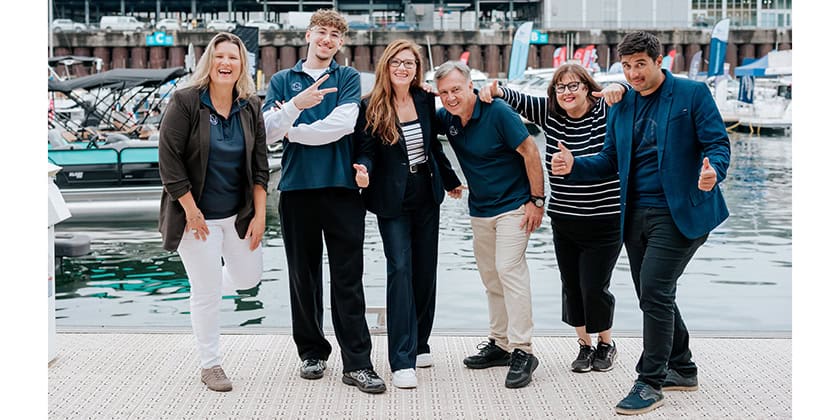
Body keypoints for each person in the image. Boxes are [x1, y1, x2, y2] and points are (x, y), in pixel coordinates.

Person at [552, 31, 730, 415]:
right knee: (654, 293)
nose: (633, 73)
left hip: (681, 210)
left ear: (658, 60)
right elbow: (609, 160)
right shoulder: (622, 105)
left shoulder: (691, 95)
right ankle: (682, 368)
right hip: (634, 213)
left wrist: (714, 169)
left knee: (654, 290)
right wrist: (574, 167)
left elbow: (718, 143)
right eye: (627, 66)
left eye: (640, 65)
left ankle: (650, 381)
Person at [261, 9, 386, 394]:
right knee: (303, 276)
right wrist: (296, 105)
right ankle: (312, 353)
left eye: (335, 34)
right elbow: (267, 131)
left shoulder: (347, 78)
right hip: (297, 189)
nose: (327, 39)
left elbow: (343, 125)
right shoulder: (282, 80)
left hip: (341, 190)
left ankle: (358, 364)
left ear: (341, 43)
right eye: (322, 32)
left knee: (348, 279)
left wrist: (292, 127)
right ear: (308, 35)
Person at [479, 64, 627, 374]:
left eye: (574, 85)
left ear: (587, 88)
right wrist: (494, 90)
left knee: (594, 286)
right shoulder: (551, 113)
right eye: (560, 87)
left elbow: (624, 97)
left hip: (605, 218)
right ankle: (585, 346)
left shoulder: (604, 112)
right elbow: (517, 98)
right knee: (572, 286)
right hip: (565, 219)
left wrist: (621, 88)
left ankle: (606, 343)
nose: (567, 92)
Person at [158, 32, 268, 392]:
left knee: (248, 279)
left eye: (233, 58)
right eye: (219, 56)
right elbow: (169, 161)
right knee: (205, 294)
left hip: (238, 215)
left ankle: (210, 278)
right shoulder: (187, 101)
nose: (225, 63)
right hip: (197, 218)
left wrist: (261, 215)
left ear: (242, 65)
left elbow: (260, 165)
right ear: (209, 61)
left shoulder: (250, 106)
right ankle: (211, 365)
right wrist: (190, 211)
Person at [354, 40, 464, 389]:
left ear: (416, 69)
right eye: (397, 63)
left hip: (426, 193)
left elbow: (432, 147)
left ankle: (419, 343)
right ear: (386, 66)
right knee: (400, 269)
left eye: (410, 64)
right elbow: (366, 150)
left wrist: (450, 181)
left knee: (424, 270)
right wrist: (363, 171)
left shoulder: (424, 100)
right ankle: (401, 359)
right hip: (391, 199)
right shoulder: (370, 105)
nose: (403, 68)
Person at [434, 61, 544, 389]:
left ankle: (523, 349)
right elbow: (422, 123)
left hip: (515, 206)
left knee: (509, 271)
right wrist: (448, 178)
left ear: (470, 86)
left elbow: (530, 152)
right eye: (444, 92)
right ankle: (501, 344)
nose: (451, 97)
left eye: (456, 89)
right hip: (480, 208)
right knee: (491, 277)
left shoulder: (497, 112)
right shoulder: (448, 117)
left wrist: (537, 201)